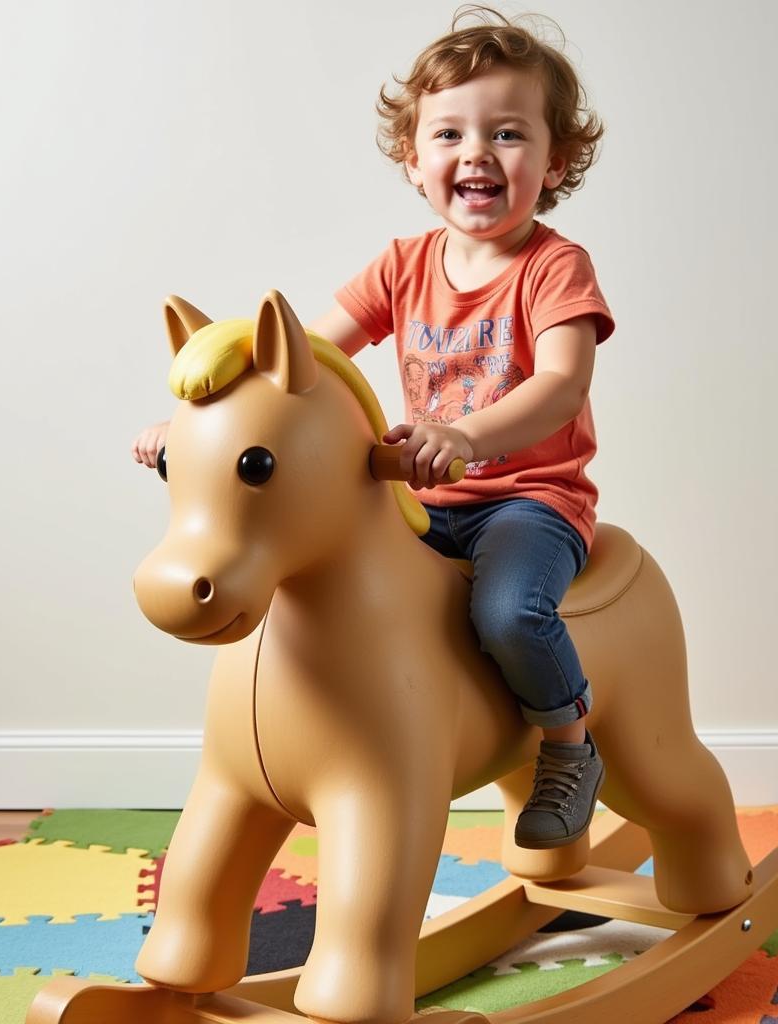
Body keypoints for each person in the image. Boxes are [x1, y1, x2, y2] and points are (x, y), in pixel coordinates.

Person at [132, 6, 615, 850]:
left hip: (525, 501)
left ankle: (570, 747)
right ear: (413, 157)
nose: (476, 154)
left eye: (507, 134)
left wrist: (465, 438)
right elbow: (307, 366)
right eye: (450, 134)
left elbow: (562, 384)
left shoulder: (554, 267)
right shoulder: (401, 265)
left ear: (554, 159)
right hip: (422, 501)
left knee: (508, 614)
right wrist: (202, 426)